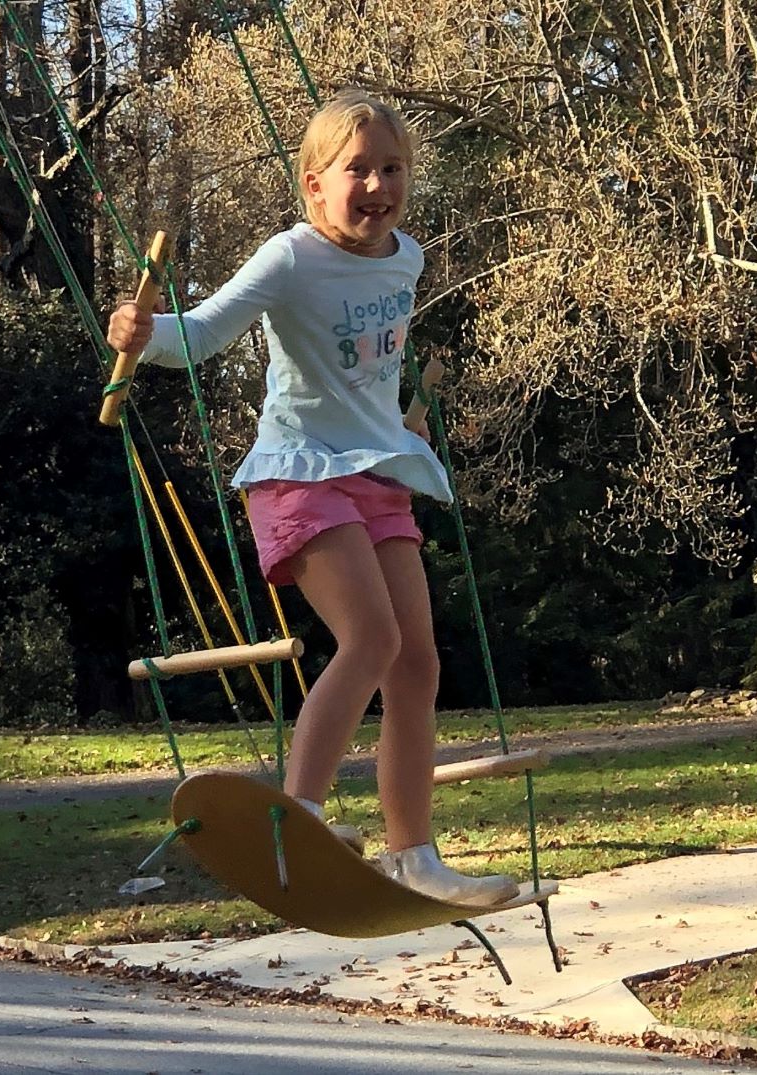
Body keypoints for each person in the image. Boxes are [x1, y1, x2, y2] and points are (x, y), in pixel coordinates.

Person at [107, 89, 519, 908]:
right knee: (371, 636)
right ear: (314, 184)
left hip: (376, 473)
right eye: (357, 169)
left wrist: (398, 429)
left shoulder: (406, 258)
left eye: (392, 169)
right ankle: (299, 818)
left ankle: (413, 855)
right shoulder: (290, 257)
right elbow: (205, 332)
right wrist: (145, 333)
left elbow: (370, 370)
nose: (377, 185)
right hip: (298, 473)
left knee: (417, 662)